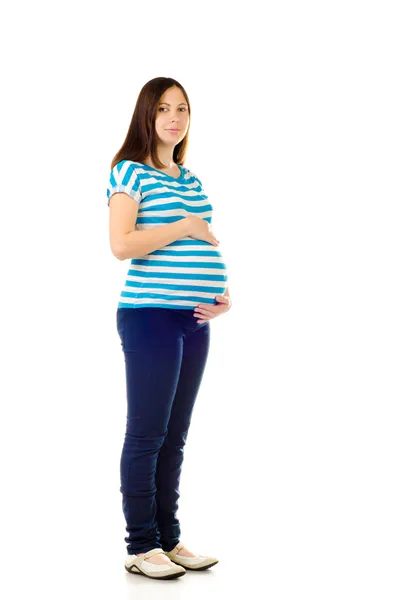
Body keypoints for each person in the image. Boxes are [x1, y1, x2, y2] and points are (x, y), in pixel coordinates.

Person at [107, 77, 232, 580]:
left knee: (175, 436)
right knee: (147, 433)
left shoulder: (190, 178)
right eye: (163, 108)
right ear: (147, 116)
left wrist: (219, 297)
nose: (174, 117)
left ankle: (168, 539)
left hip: (194, 321)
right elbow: (121, 244)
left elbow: (202, 247)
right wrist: (184, 226)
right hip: (149, 316)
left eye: (182, 108)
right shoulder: (129, 173)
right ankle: (141, 546)